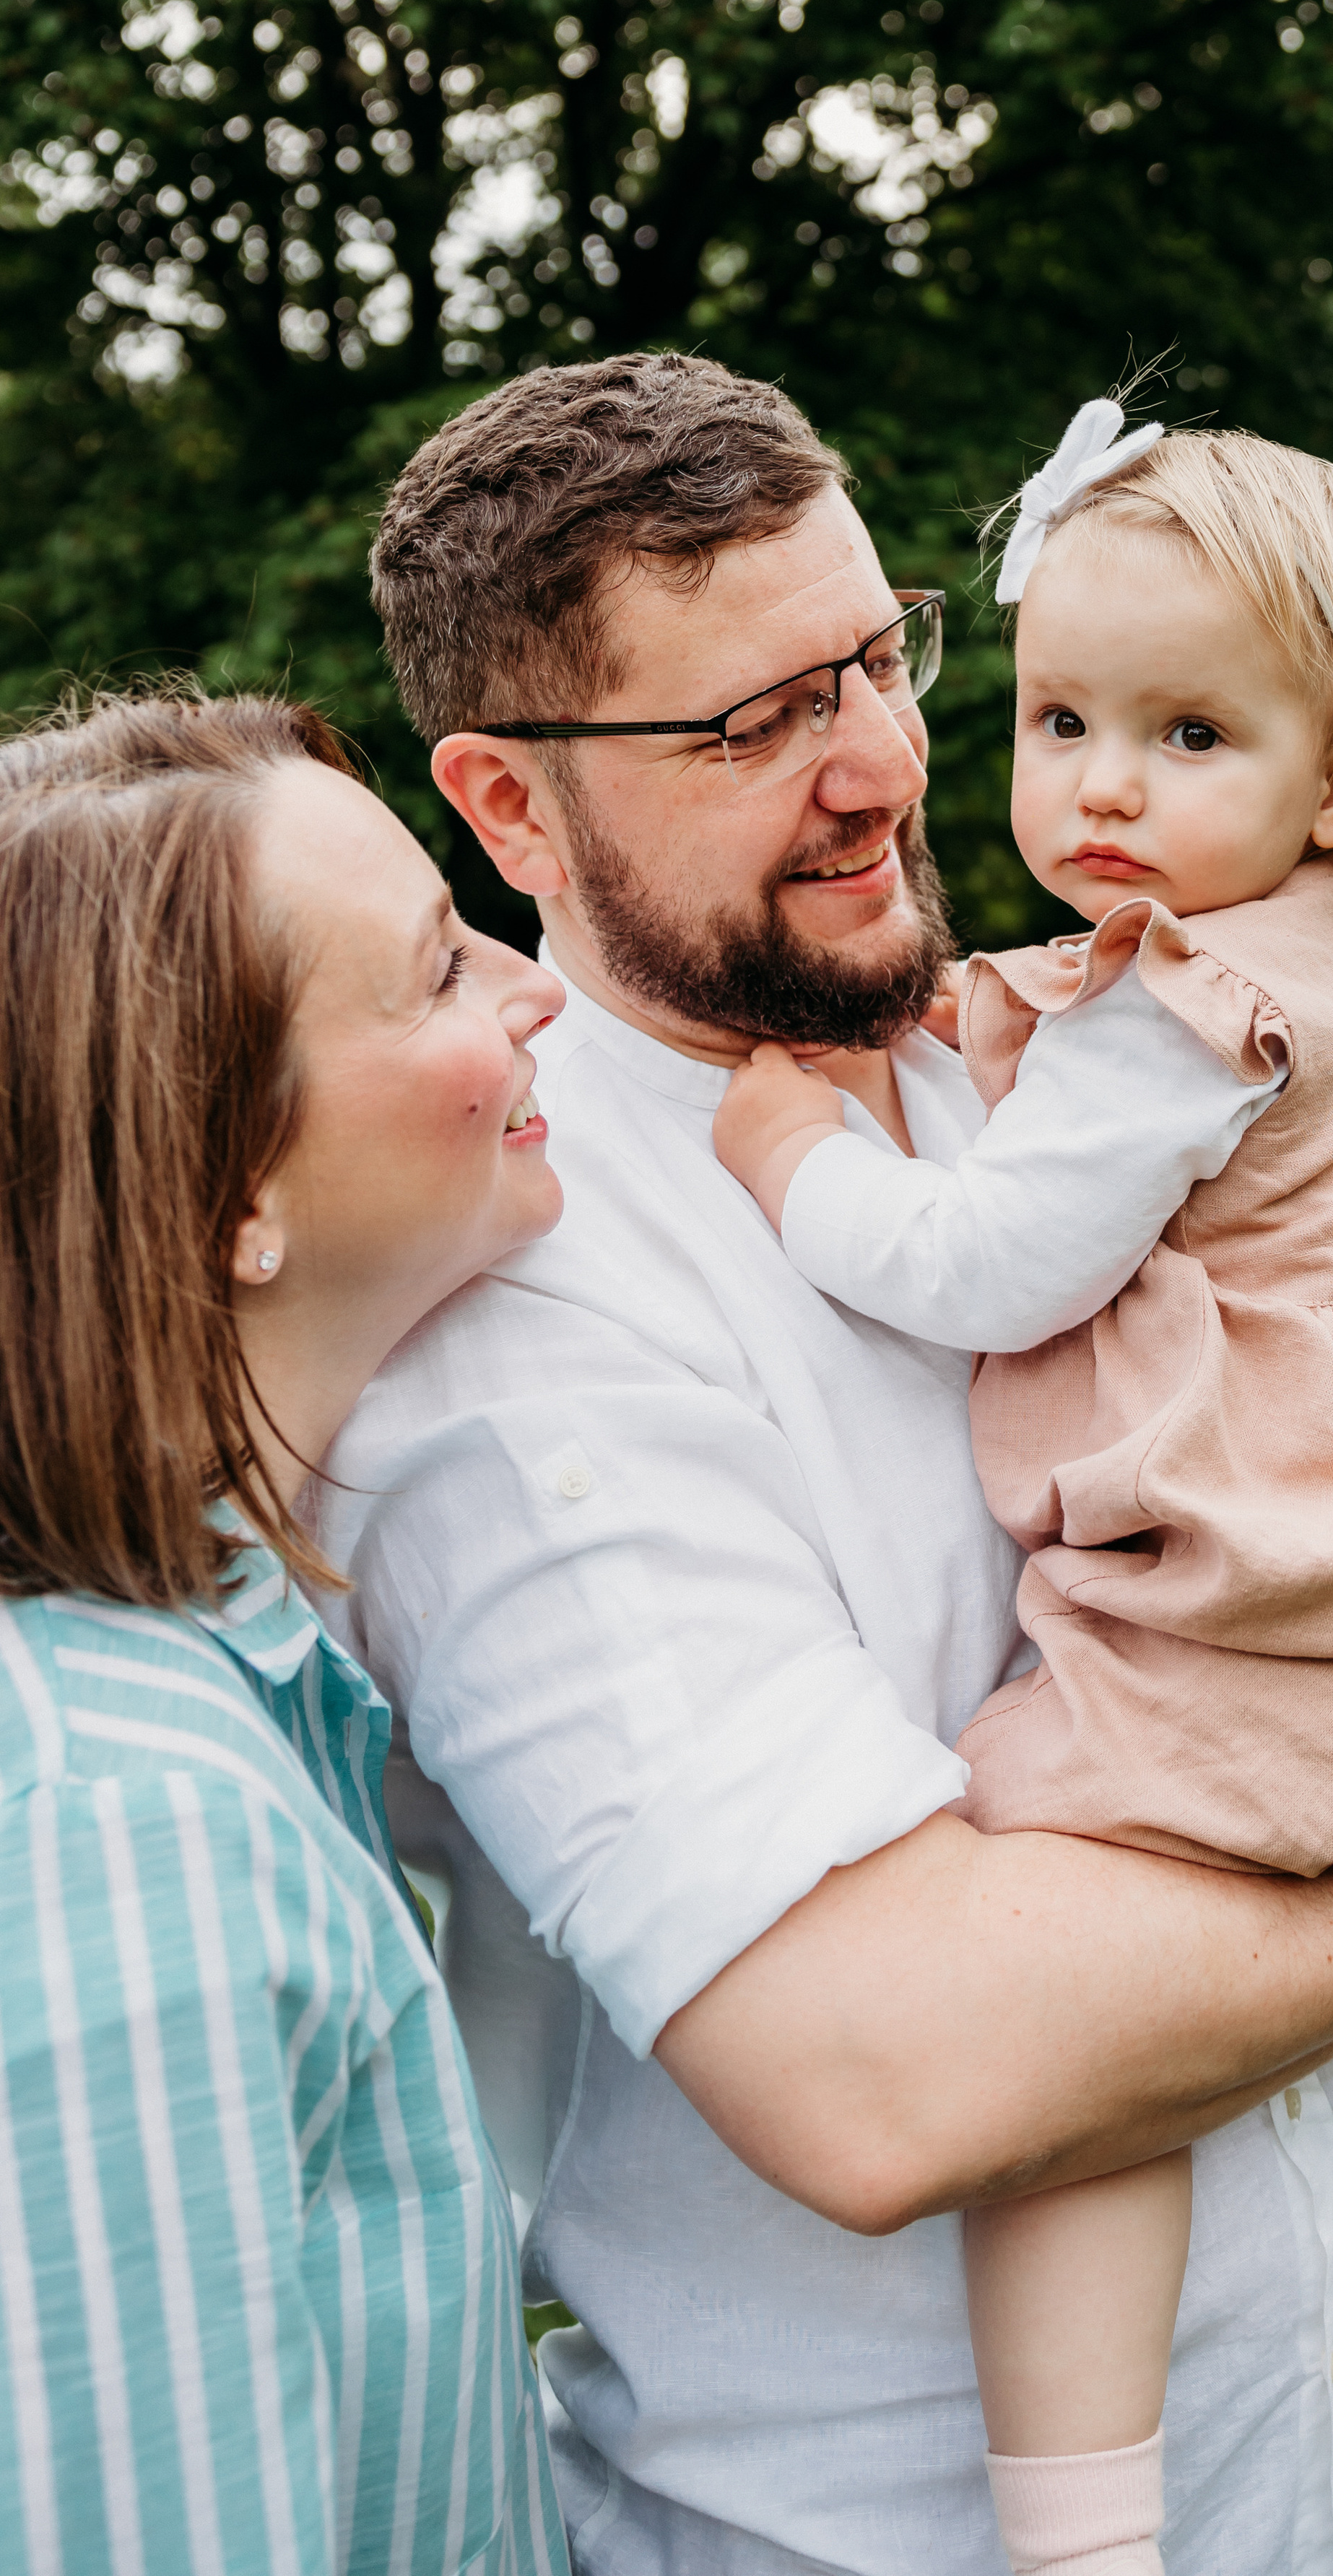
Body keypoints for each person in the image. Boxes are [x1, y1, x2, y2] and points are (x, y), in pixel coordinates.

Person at [313, 351, 1333, 2576]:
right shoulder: (512, 1326)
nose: (877, 767)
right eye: (753, 722)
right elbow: (890, 2077)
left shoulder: (1060, 1038)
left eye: (881, 654)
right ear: (513, 808)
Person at [714, 412, 1333, 2567]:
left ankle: (1089, 2541)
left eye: (1188, 734)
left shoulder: (1174, 1011)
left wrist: (798, 1154)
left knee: (1077, 2087)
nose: (1100, 784)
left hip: (1281, 1638)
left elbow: (984, 1262)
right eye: (1064, 715)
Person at [0, 694, 571, 2575]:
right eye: (433, 973)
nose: (530, 987)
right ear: (238, 1188)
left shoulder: (251, 1697)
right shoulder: (115, 1830)